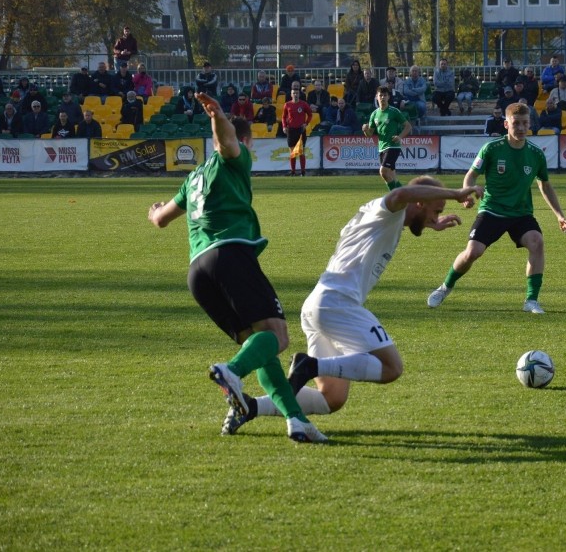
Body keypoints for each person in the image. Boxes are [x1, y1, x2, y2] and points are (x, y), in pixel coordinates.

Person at [226, 177, 482, 433]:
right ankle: (309, 365)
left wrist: (430, 221)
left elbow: (408, 202)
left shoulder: (386, 218)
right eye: (435, 210)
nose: (437, 216)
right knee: (392, 368)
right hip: (338, 303)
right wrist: (455, 192)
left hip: (318, 305)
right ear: (419, 201)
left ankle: (250, 407)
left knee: (331, 397)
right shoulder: (388, 212)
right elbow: (401, 193)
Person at [147, 92, 326, 444]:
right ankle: (231, 372)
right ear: (245, 141)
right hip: (230, 256)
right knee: (277, 336)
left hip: (198, 273)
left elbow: (161, 220)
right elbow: (228, 142)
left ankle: (296, 419)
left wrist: (153, 212)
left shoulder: (192, 180)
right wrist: (216, 114)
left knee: (259, 345)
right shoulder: (234, 158)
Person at [427, 102, 566, 314]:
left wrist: (559, 215)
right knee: (473, 252)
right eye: (516, 123)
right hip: (492, 210)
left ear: (530, 124)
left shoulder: (536, 153)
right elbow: (471, 175)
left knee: (537, 242)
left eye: (525, 123)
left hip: (521, 213)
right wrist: (466, 193)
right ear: (506, 124)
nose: (521, 128)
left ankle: (531, 300)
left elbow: (545, 185)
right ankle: (445, 287)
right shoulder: (492, 148)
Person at [362, 85, 412, 190]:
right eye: (381, 95)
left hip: (393, 146)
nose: (383, 98)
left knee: (383, 172)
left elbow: (408, 126)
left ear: (388, 97)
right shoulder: (374, 114)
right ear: (377, 97)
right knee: (391, 176)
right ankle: (404, 197)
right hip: (381, 147)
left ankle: (394, 199)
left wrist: (400, 137)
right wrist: (365, 130)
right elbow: (370, 134)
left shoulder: (394, 111)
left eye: (385, 95)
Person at [282, 82, 311, 176]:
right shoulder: (287, 105)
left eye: (297, 93)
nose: (295, 95)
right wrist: (284, 126)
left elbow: (310, 115)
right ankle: (293, 171)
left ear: (299, 94)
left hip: (300, 130)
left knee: (301, 152)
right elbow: (283, 117)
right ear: (291, 94)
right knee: (292, 152)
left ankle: (303, 171)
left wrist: (306, 123)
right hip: (291, 130)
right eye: (293, 93)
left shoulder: (303, 104)